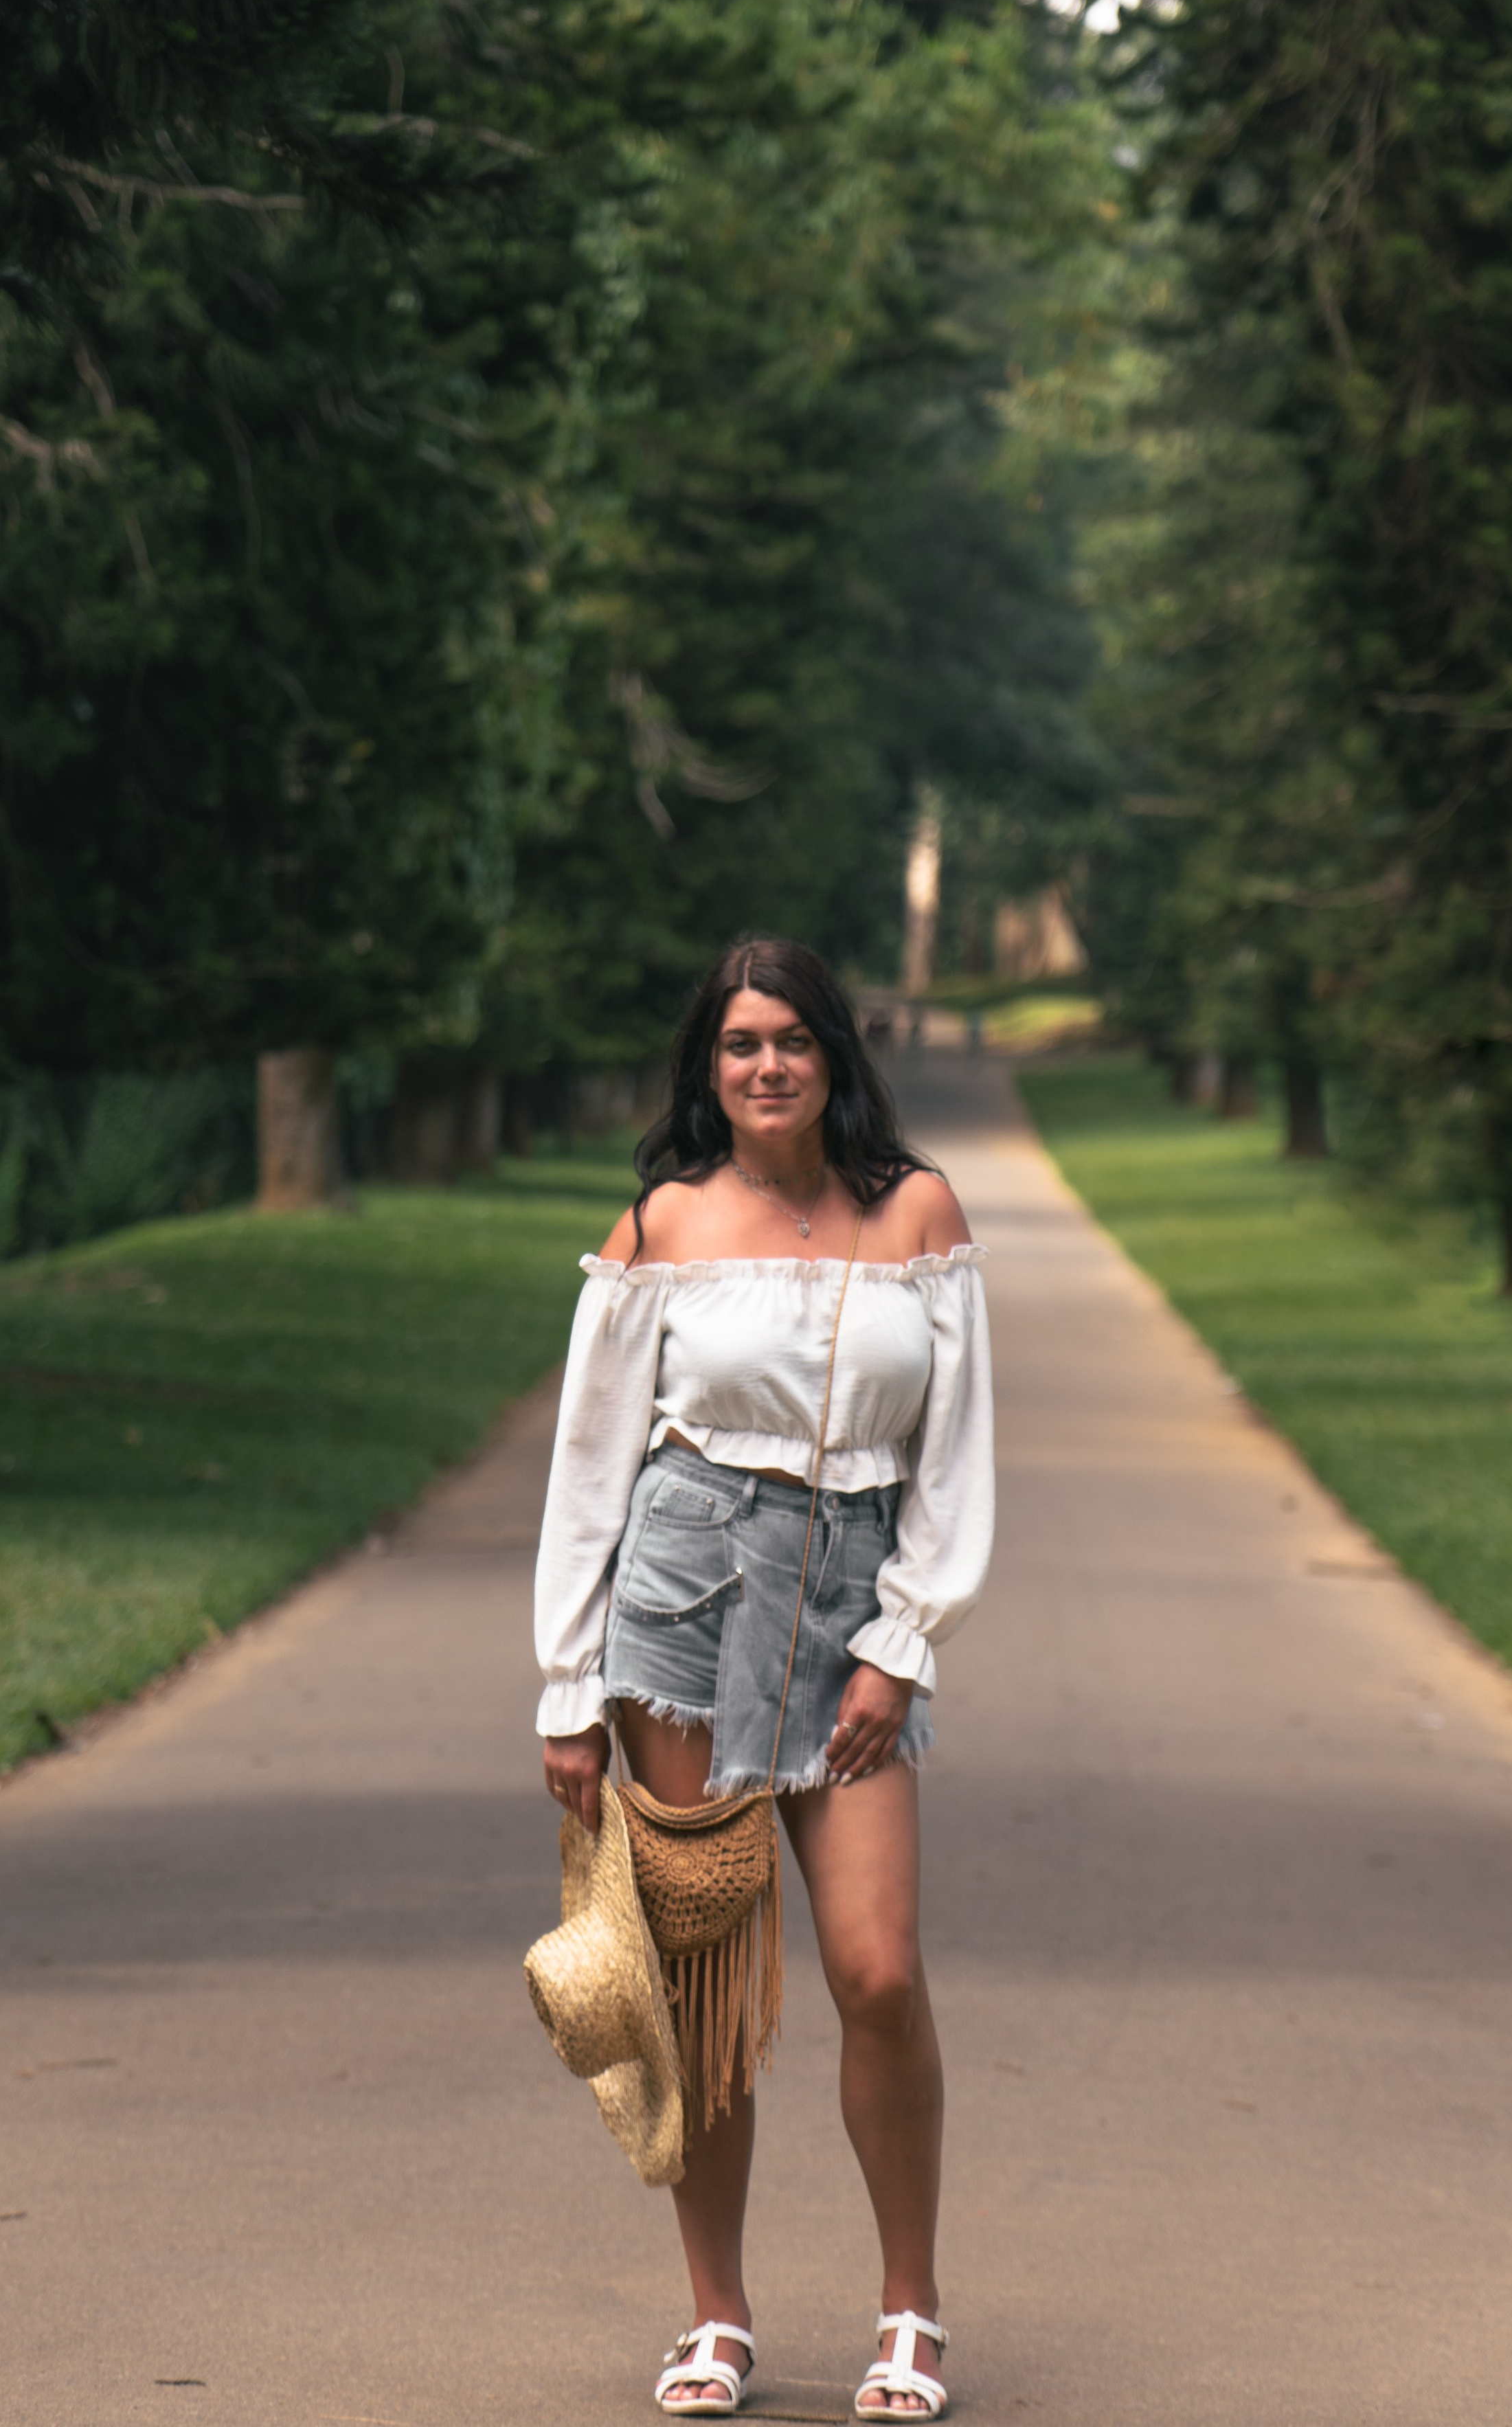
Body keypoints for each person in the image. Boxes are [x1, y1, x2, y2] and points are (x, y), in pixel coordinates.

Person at [534, 936, 995, 2420]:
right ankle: (717, 2317)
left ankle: (909, 2311)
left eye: (791, 1039)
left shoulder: (911, 1212)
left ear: (833, 1055)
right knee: (709, 1983)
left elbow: (953, 1458)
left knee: (875, 1968)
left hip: (851, 1600)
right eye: (738, 1045)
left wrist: (898, 1639)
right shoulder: (662, 1223)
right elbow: (592, 1467)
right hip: (679, 1603)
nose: (766, 1066)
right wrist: (566, 1686)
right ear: (706, 1068)